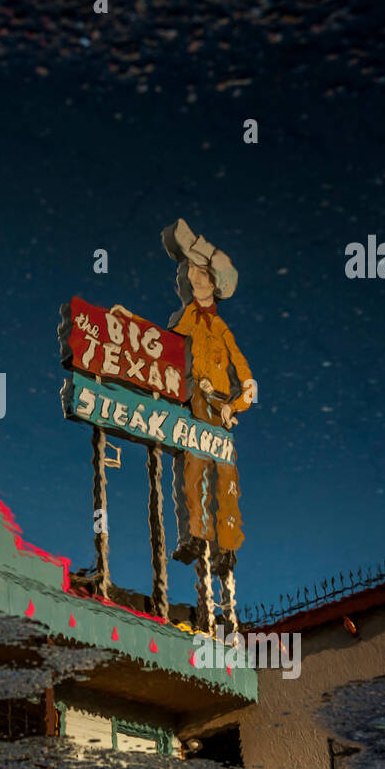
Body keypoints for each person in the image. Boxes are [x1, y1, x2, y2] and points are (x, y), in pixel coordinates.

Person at [161, 219, 257, 575]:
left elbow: (247, 381)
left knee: (225, 479)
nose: (192, 277)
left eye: (199, 272)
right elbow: (162, 343)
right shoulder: (186, 317)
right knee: (191, 469)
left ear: (213, 283)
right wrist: (127, 324)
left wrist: (234, 406)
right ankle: (195, 535)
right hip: (193, 403)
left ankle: (227, 547)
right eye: (190, 272)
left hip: (219, 406)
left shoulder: (221, 329)